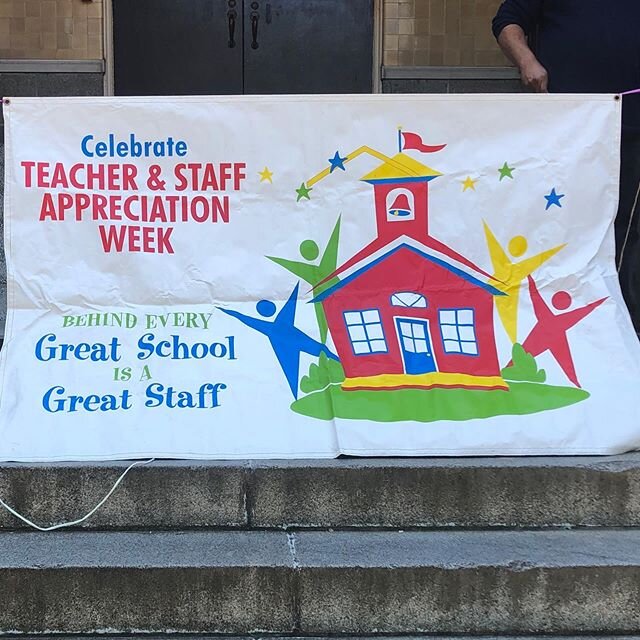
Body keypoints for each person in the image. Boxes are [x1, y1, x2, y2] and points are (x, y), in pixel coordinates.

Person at [492, 1, 640, 331]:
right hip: (568, 131)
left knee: (627, 234)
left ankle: (623, 327)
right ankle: (560, 320)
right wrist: (526, 61)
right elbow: (507, 22)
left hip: (633, 128)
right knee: (564, 226)